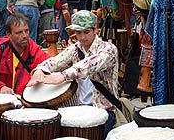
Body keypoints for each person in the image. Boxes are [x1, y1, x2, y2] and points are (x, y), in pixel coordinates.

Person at [29, 10, 119, 139]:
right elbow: (54, 62)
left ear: (96, 29)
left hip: (104, 110)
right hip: (79, 109)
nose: (82, 37)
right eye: (78, 32)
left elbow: (90, 64)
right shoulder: (75, 49)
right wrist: (39, 70)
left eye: (86, 32)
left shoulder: (108, 49)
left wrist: (63, 76)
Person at [0, 12, 50, 95]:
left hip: (26, 100)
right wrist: (0, 87)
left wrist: (40, 70)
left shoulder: (34, 50)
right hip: (1, 99)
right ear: (9, 34)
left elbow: (51, 66)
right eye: (19, 32)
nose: (25, 35)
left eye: (26, 31)